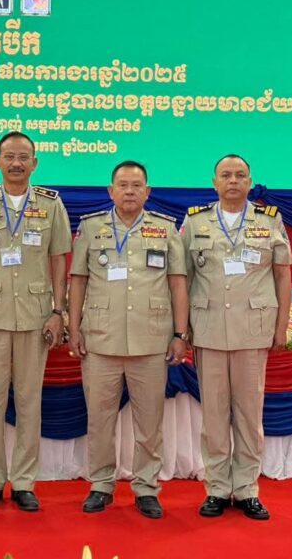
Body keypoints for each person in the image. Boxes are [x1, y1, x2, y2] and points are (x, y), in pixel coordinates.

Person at [0, 131, 71, 512]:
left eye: (23, 157)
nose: (16, 163)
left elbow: (59, 260)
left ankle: (23, 482)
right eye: (9, 157)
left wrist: (58, 311)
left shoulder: (51, 204)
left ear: (34, 163)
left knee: (29, 401)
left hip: (35, 318)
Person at [67, 161, 188, 519]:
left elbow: (178, 283)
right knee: (99, 420)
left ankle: (147, 487)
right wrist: (74, 327)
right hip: (100, 340)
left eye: (137, 185)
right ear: (111, 191)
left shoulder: (165, 229)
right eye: (123, 185)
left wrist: (180, 334)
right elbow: (78, 280)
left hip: (150, 340)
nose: (130, 191)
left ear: (147, 192)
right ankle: (101, 485)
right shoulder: (92, 228)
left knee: (149, 423)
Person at [181, 154, 292, 521]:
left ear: (250, 181)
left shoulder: (269, 221)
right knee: (214, 416)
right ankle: (216, 488)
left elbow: (282, 275)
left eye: (240, 175)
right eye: (226, 175)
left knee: (248, 415)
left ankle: (246, 489)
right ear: (214, 182)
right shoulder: (195, 221)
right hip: (209, 330)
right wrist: (181, 329)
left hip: (252, 330)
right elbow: (183, 278)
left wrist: (281, 326)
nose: (233, 181)